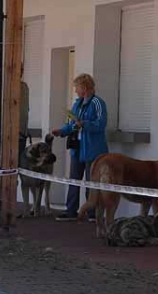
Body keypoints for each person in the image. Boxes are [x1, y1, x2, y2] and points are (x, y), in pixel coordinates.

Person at [52, 73, 108, 221]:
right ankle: (71, 211)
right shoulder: (77, 104)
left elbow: (101, 124)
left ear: (85, 87)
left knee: (92, 182)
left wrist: (85, 124)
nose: (75, 90)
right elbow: (71, 124)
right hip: (77, 148)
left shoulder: (98, 103)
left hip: (93, 149)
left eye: (77, 87)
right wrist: (62, 131)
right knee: (73, 180)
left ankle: (92, 213)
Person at [0, 64, 30, 163]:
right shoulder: (2, 87)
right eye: (18, 69)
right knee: (3, 167)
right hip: (5, 136)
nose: (20, 72)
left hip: (21, 136)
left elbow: (26, 110)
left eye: (22, 69)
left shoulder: (24, 87)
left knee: (18, 167)